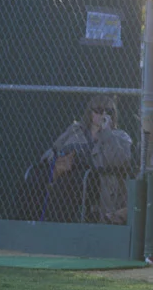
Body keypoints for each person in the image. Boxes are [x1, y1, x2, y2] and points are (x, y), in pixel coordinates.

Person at [18, 95, 132, 223]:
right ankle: (24, 221)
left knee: (72, 181)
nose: (104, 114)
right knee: (36, 174)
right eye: (99, 110)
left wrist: (107, 132)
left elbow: (120, 160)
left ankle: (56, 223)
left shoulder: (120, 136)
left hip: (95, 178)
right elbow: (53, 150)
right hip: (66, 171)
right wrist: (59, 159)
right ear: (90, 113)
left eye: (109, 111)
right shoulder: (75, 130)